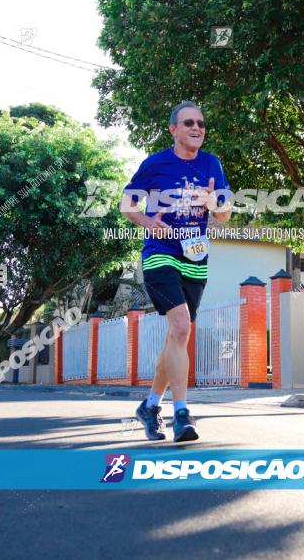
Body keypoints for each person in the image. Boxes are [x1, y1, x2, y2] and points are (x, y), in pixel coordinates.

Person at [121, 101, 232, 442]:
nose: (196, 128)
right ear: (173, 129)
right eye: (188, 123)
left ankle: (150, 405)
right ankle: (182, 412)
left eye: (200, 122)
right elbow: (127, 203)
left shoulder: (212, 163)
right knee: (181, 325)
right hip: (160, 254)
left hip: (195, 258)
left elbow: (225, 214)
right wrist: (146, 221)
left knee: (177, 335)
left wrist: (214, 203)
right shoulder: (156, 164)